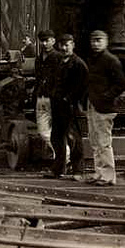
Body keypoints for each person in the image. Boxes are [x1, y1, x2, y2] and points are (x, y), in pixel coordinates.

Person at [83, 29, 125, 186]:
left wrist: (106, 96)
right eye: (93, 40)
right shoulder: (93, 59)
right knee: (95, 141)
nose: (96, 44)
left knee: (104, 142)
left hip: (104, 108)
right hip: (93, 105)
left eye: (99, 40)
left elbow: (121, 84)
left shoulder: (111, 60)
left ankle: (109, 176)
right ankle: (99, 173)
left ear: (106, 42)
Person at [42, 33, 87, 179]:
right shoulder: (60, 62)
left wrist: (70, 99)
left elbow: (83, 86)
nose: (64, 48)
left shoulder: (78, 64)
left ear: (73, 45)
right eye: (62, 45)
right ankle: (59, 169)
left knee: (73, 138)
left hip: (71, 107)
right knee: (56, 137)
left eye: (67, 45)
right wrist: (52, 94)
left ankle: (78, 170)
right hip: (57, 105)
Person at [33, 29, 58, 159]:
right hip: (41, 97)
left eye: (47, 41)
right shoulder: (39, 59)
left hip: (53, 97)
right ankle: (61, 155)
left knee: (57, 130)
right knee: (43, 131)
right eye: (42, 41)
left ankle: (63, 157)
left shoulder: (57, 57)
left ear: (53, 41)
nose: (44, 43)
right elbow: (38, 79)